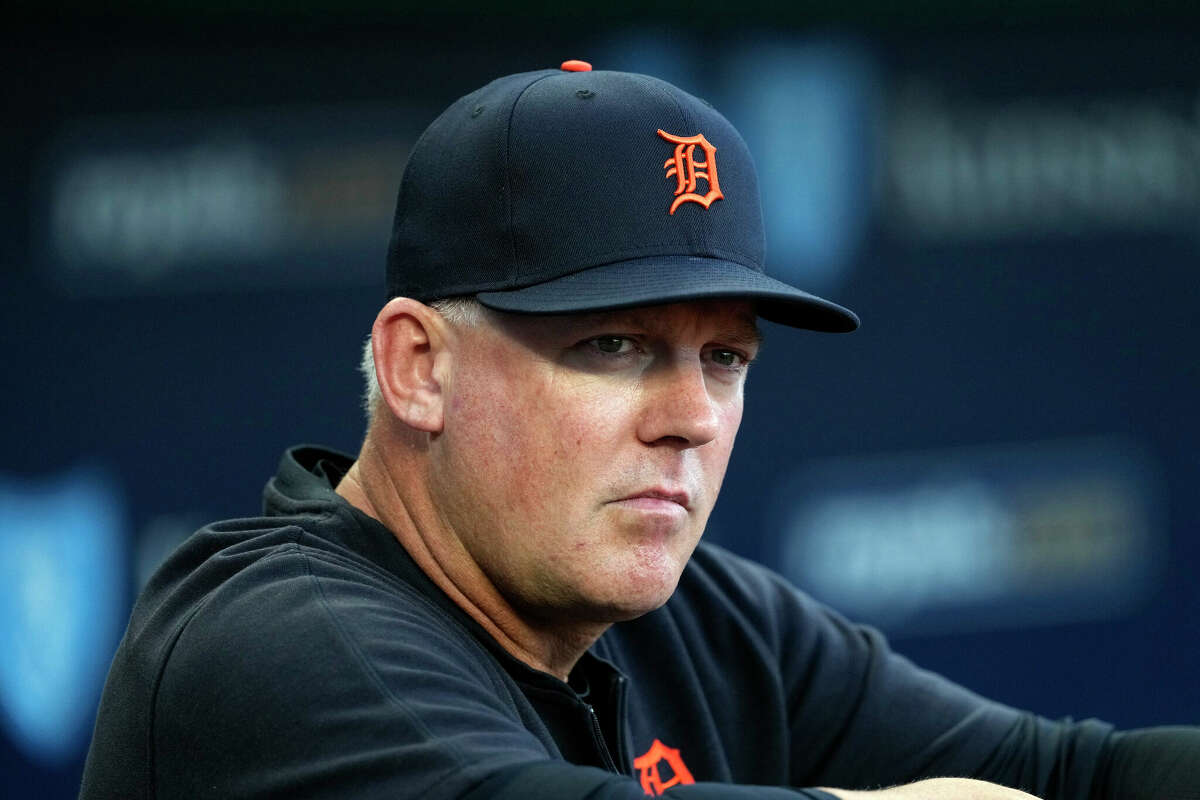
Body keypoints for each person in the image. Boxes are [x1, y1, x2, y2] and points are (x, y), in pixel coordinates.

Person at [80, 62, 1198, 800]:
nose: (693, 418)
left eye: (725, 357)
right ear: (418, 365)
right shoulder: (266, 641)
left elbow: (1074, 775)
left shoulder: (695, 618)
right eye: (612, 345)